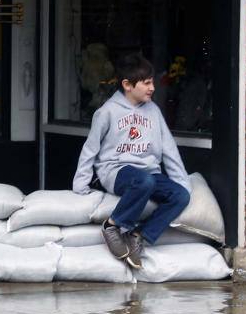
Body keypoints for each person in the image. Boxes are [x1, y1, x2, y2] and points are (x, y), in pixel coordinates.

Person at [72, 52, 192, 269]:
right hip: (116, 170)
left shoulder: (153, 110)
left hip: (149, 173)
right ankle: (113, 225)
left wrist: (180, 182)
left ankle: (138, 236)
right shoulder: (107, 111)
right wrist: (81, 183)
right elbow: (91, 148)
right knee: (144, 181)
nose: (152, 87)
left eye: (152, 82)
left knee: (181, 195)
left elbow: (169, 149)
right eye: (146, 83)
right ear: (127, 84)